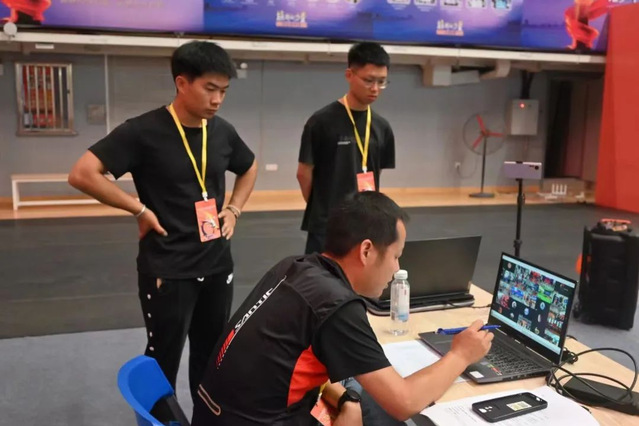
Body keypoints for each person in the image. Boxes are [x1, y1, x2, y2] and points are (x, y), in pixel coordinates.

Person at [192, 192, 493, 425]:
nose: (396, 269)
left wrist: (347, 399)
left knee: (365, 401)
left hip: (214, 416)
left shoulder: (294, 267)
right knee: (390, 414)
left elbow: (288, 364)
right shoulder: (336, 305)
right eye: (395, 256)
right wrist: (461, 354)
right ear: (366, 251)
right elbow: (405, 402)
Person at [68, 41, 258, 402]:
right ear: (182, 83)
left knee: (212, 358)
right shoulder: (143, 131)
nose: (218, 99)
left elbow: (249, 167)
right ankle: (157, 421)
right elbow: (82, 173)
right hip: (168, 268)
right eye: (210, 89)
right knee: (162, 360)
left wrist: (234, 208)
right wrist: (139, 209)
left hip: (217, 263)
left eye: (224, 91)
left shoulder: (222, 131)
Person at [297, 42, 396, 255]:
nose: (375, 88)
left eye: (381, 82)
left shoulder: (382, 127)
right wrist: (323, 209)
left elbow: (376, 173)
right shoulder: (321, 121)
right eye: (369, 80)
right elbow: (304, 173)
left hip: (366, 224)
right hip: (327, 225)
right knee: (319, 275)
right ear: (349, 75)